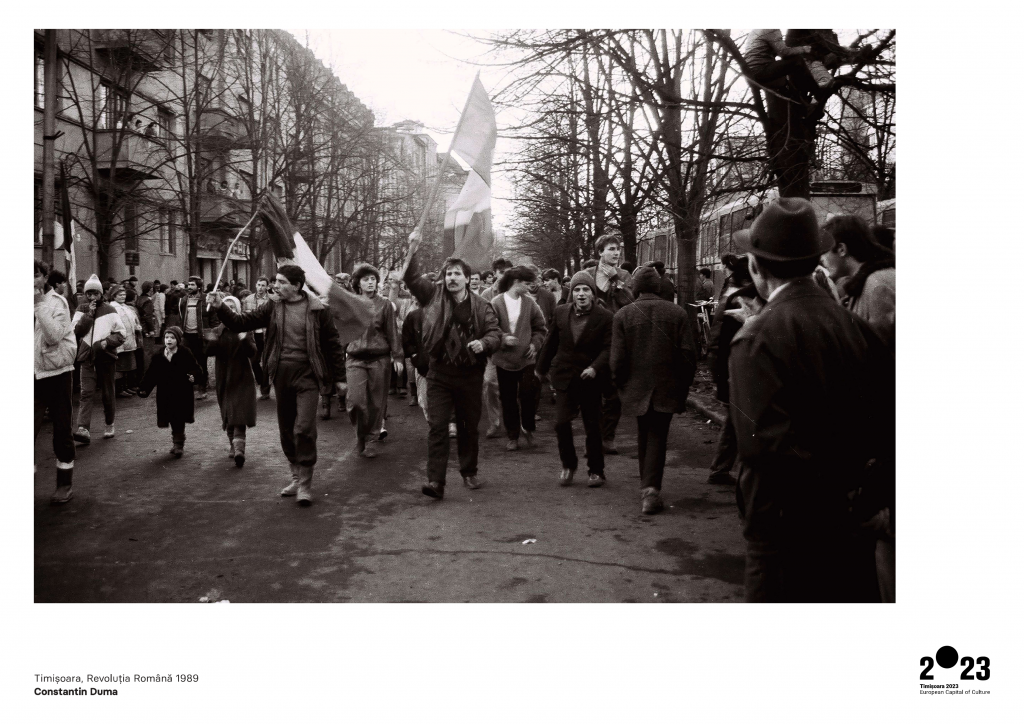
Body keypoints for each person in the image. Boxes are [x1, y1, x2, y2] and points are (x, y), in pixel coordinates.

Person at [729, 197, 895, 602]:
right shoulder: (856, 326)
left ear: (756, 267)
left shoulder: (756, 338)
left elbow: (762, 448)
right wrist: (865, 502)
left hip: (785, 532)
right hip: (853, 524)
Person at [211, 265, 347, 506]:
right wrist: (220, 306)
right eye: (276, 281)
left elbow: (333, 344)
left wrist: (340, 378)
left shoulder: (318, 309)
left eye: (282, 282)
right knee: (286, 429)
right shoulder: (273, 306)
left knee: (304, 428)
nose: (276, 286)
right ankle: (296, 476)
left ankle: (305, 484)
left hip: (308, 375)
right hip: (282, 374)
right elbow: (242, 322)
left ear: (296, 286)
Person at [403, 230, 502, 499]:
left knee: (468, 426)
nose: (452, 278)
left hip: (470, 375)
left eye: (457, 273)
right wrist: (413, 248)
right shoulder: (433, 297)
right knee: (438, 427)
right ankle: (436, 482)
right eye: (448, 274)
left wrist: (484, 343)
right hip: (439, 374)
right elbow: (411, 278)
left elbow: (495, 332)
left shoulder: (482, 306)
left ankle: (469, 472)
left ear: (468, 279)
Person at [610, 266, 697, 515]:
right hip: (667, 386)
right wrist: (683, 384)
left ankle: (647, 486)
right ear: (658, 287)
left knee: (643, 432)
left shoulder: (623, 315)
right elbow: (689, 355)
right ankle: (650, 490)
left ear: (635, 288)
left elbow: (617, 360)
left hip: (636, 387)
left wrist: (620, 384)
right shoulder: (677, 313)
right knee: (658, 433)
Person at [535, 270, 612, 487]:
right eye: (577, 290)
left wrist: (595, 367)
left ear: (593, 293)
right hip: (565, 377)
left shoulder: (605, 317)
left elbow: (609, 348)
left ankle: (596, 471)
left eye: (586, 289)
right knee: (561, 423)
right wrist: (540, 369)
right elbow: (551, 342)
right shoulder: (561, 312)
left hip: (590, 379)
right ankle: (568, 465)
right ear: (572, 293)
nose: (581, 294)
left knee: (593, 426)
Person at [705, 253, 761, 486]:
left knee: (735, 419)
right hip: (733, 368)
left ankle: (721, 468)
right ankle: (725, 469)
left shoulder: (732, 294)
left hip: (725, 365)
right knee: (739, 419)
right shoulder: (744, 298)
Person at [346, 263, 403, 458]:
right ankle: (360, 435)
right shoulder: (351, 303)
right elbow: (341, 329)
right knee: (355, 401)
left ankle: (369, 440)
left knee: (376, 404)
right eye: (366, 279)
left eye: (373, 279)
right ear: (358, 283)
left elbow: (392, 332)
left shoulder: (385, 305)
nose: (370, 282)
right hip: (355, 358)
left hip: (379, 359)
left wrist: (398, 357)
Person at [490, 266, 547, 451]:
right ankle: (512, 435)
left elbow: (540, 328)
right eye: (527, 283)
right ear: (516, 282)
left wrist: (535, 344)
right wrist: (503, 338)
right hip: (504, 360)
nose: (530, 287)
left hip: (526, 359)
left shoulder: (530, 303)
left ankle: (528, 429)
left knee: (528, 394)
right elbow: (489, 328)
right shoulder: (496, 302)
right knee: (508, 398)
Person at [820, 214, 896, 353]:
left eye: (825, 252)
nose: (822, 259)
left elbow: (879, 354)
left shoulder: (877, 287)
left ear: (842, 249)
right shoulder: (868, 283)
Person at [35, 261, 78, 504]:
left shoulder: (57, 302)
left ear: (44, 277)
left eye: (35, 275)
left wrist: (38, 305)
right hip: (32, 374)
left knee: (61, 429)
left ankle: (64, 484)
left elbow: (53, 336)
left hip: (57, 372)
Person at [591, 233, 634, 455]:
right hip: (592, 340)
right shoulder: (587, 275)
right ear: (600, 252)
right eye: (611, 249)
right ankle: (594, 436)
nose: (616, 253)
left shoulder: (624, 275)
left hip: (616, 339)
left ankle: (608, 437)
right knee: (592, 393)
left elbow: (630, 303)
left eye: (618, 249)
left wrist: (616, 280)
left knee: (614, 393)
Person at [72, 274, 126, 444]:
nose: (92, 297)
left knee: (107, 394)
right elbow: (76, 331)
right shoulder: (81, 309)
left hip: (106, 358)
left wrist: (107, 342)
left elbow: (121, 334)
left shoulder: (110, 310)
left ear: (101, 294)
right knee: (86, 393)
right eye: (89, 293)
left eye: (95, 293)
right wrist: (88, 314)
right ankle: (83, 428)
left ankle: (109, 423)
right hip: (87, 357)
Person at [136, 326, 203, 458]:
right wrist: (144, 388)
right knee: (171, 417)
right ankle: (176, 442)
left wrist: (193, 376)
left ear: (178, 340)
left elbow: (196, 368)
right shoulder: (159, 355)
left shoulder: (185, 353)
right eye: (167, 337)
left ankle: (178, 444)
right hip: (165, 393)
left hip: (181, 392)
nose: (169, 340)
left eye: (172, 338)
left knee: (179, 418)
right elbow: (151, 374)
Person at [206, 296, 257, 466]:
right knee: (228, 412)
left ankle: (239, 449)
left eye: (232, 307)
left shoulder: (245, 329)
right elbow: (208, 352)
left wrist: (244, 339)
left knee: (239, 412)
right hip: (223, 377)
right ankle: (233, 445)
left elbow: (252, 352)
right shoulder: (217, 331)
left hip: (242, 376)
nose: (229, 310)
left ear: (238, 311)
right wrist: (212, 340)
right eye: (226, 307)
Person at [742, 29, 824, 106]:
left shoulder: (755, 31)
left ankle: (805, 103)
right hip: (760, 70)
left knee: (787, 85)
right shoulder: (771, 29)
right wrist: (804, 49)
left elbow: (769, 50)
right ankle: (818, 93)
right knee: (797, 61)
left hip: (750, 77)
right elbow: (784, 52)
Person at [480, 258, 512, 437]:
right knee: (489, 382)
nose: (505, 276)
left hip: (514, 346)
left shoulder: (516, 292)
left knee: (513, 386)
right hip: (494, 347)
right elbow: (484, 320)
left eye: (508, 272)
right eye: (502, 273)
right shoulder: (486, 294)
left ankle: (513, 422)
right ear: (495, 274)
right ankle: (494, 422)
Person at [242, 276, 273, 399]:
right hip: (253, 334)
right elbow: (244, 316)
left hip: (266, 334)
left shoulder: (271, 300)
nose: (260, 288)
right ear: (255, 285)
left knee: (266, 362)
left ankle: (265, 390)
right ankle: (261, 382)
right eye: (259, 285)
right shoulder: (248, 299)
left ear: (267, 287)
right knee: (254, 361)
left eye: (263, 285)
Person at [179, 276, 209, 399]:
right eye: (189, 285)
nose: (189, 287)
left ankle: (202, 387)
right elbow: (181, 316)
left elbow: (212, 317)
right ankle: (190, 385)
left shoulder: (205, 299)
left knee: (201, 362)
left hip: (200, 335)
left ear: (199, 287)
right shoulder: (184, 300)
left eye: (192, 285)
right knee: (187, 361)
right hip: (187, 335)